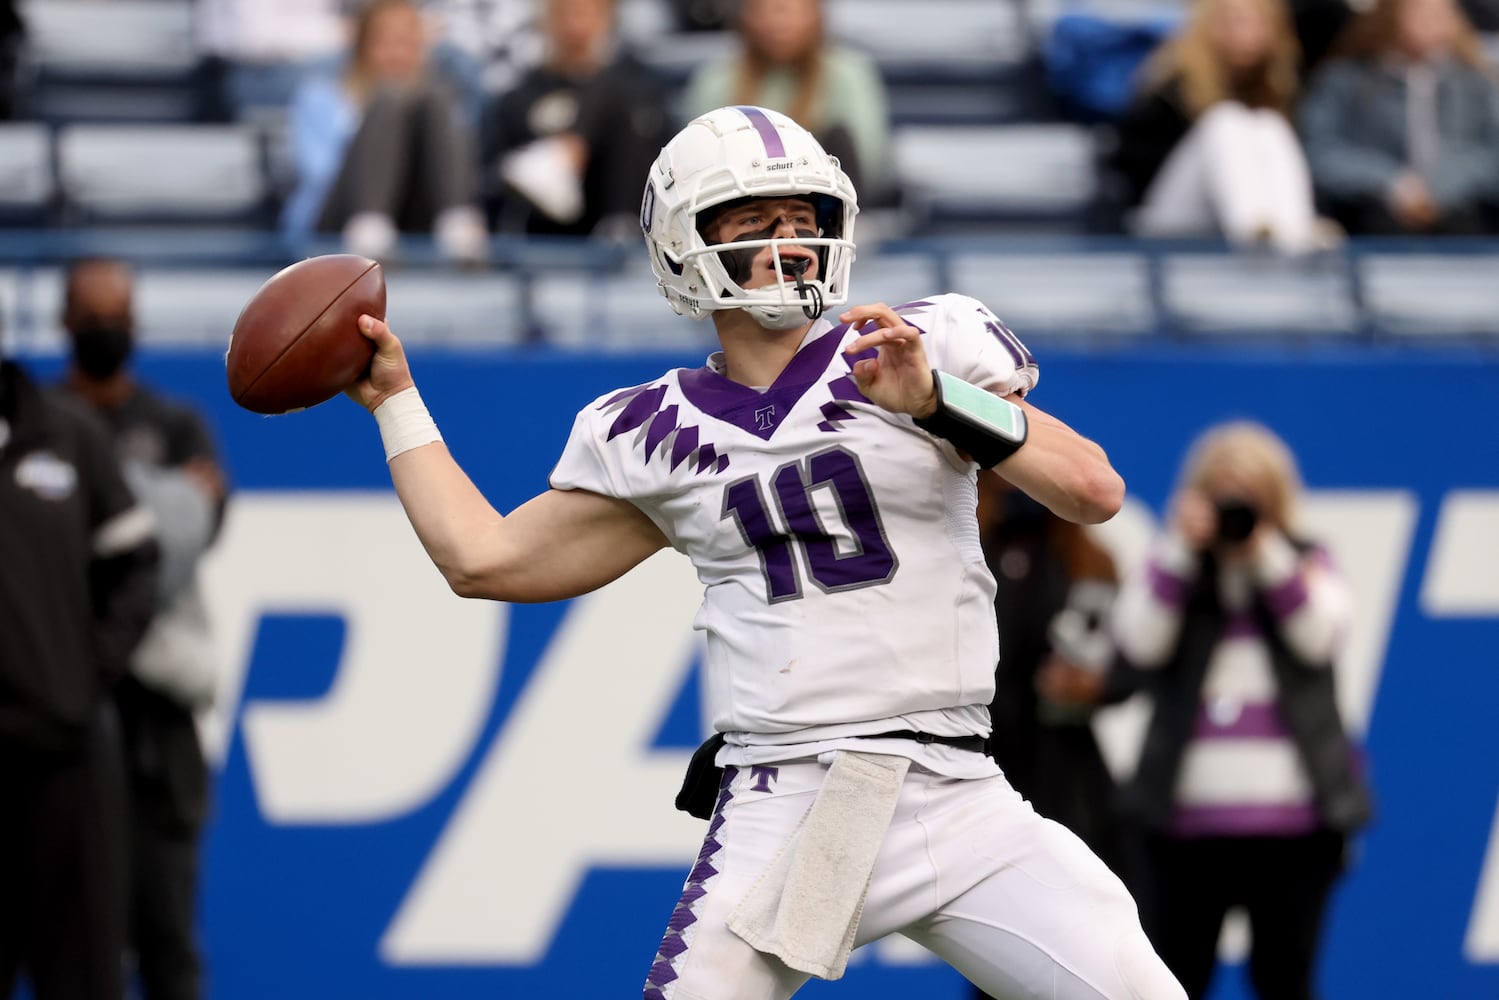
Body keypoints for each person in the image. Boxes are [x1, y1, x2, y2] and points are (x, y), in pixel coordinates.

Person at [340, 105, 1186, 999]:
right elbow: (484, 560)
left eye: (803, 221)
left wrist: (934, 400)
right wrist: (397, 401)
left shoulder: (914, 346)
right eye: (755, 222)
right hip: (795, 797)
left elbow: (1093, 489)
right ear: (685, 243)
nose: (792, 244)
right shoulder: (647, 430)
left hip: (958, 785)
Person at [1109, 421, 1372, 1000]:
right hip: (1182, 830)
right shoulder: (1176, 566)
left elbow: (1320, 636)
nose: (1233, 510)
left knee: (1286, 981)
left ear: (1275, 499)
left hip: (1295, 831)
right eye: (1221, 494)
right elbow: (1137, 643)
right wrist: (1180, 547)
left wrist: (1263, 552)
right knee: (1171, 982)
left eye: (1248, 496)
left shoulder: (1305, 560)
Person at [57, 258, 228, 1000]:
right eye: (95, 315)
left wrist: (83, 518)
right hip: (58, 717)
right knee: (71, 950)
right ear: (65, 323)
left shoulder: (174, 421)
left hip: (156, 721)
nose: (108, 329)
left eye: (120, 315)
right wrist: (160, 502)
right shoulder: (40, 420)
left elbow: (185, 539)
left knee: (167, 942)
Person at [1, 320, 160, 998]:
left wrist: (82, 670)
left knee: (84, 973)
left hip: (65, 759)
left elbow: (136, 562)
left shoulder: (68, 433)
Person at [1105, 0, 1339, 253]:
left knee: (1269, 123)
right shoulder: (1171, 85)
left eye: (1255, 23)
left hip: (1240, 223)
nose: (1244, 33)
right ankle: (1256, 234)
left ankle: (1292, 233)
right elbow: (1134, 167)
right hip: (1168, 215)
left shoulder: (1281, 87)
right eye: (1233, 23)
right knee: (1225, 120)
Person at [281, 0, 489, 264]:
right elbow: (320, 175)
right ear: (363, 45)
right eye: (386, 42)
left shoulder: (437, 103)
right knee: (389, 98)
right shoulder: (321, 96)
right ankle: (370, 225)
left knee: (437, 96)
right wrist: (380, 137)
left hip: (411, 215)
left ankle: (458, 226)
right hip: (335, 221)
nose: (397, 54)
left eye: (407, 42)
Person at [1298, 0, 1499, 236]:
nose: (1433, 21)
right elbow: (1320, 151)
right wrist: (1392, 184)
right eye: (1421, 12)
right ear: (1390, 16)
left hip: (1463, 214)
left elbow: (1491, 152)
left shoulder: (1477, 83)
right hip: (1370, 214)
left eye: (1442, 13)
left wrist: (1439, 189)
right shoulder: (1344, 81)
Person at [480, 0, 672, 237]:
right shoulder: (521, 96)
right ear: (546, 22)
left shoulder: (635, 87)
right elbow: (497, 169)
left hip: (619, 225)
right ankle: (555, 164)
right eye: (564, 14)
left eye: (583, 13)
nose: (574, 26)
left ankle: (557, 163)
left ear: (606, 20)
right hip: (542, 229)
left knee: (614, 96)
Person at [681, 0, 892, 200]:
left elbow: (866, 163)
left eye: (786, 9)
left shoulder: (850, 75)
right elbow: (696, 166)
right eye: (763, 10)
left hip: (827, 204)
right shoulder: (716, 79)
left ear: (814, 13)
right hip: (733, 205)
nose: (776, 23)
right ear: (745, 15)